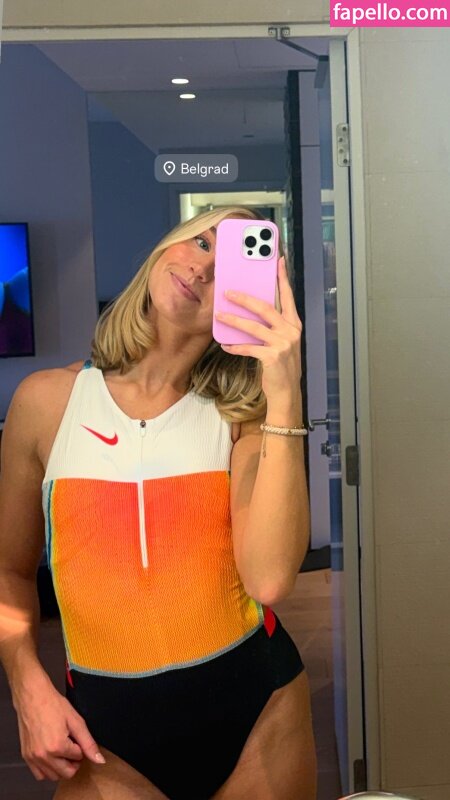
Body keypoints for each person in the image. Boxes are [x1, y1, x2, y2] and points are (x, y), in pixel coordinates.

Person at [0, 205, 317, 800]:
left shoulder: (242, 419)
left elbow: (270, 579)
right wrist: (26, 685)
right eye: (201, 242)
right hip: (105, 737)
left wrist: (284, 391)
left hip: (259, 714)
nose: (202, 268)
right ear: (165, 246)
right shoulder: (45, 403)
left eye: (228, 266)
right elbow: (8, 571)